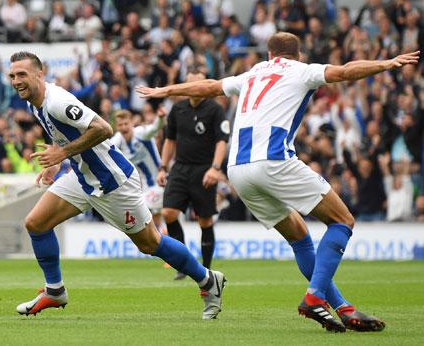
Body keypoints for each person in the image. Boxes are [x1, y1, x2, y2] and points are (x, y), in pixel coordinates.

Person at [138, 32, 419, 332]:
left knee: (300, 236)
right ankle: (314, 297)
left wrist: (166, 90)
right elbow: (345, 70)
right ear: (296, 55)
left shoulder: (253, 73)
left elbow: (209, 86)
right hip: (274, 161)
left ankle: (343, 308)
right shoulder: (302, 70)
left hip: (238, 170)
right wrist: (386, 63)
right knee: (342, 221)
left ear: (270, 54)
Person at [8, 51, 225, 320]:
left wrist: (62, 154)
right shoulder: (34, 103)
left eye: (22, 74)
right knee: (36, 223)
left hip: (112, 182)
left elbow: (102, 129)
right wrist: (56, 159)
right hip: (82, 176)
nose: (16, 80)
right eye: (12, 75)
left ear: (39, 75)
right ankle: (54, 291)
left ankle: (207, 280)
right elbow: (64, 133)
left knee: (150, 244)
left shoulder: (57, 102)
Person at [157, 72, 229, 280]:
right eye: (190, 84)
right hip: (180, 168)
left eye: (198, 83)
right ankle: (182, 264)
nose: (195, 87)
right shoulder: (178, 109)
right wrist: (163, 167)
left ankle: (205, 269)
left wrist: (215, 168)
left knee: (205, 221)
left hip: (204, 169)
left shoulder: (215, 109)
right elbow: (170, 140)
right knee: (169, 213)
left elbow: (221, 141)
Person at [111, 108, 167, 233]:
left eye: (126, 124)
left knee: (139, 209)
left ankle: (161, 240)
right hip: (146, 186)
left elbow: (154, 128)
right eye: (120, 125)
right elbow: (106, 149)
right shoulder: (118, 140)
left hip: (159, 182)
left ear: (132, 123)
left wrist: (160, 118)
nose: (124, 127)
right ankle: (166, 242)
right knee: (157, 221)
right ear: (116, 126)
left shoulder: (141, 133)